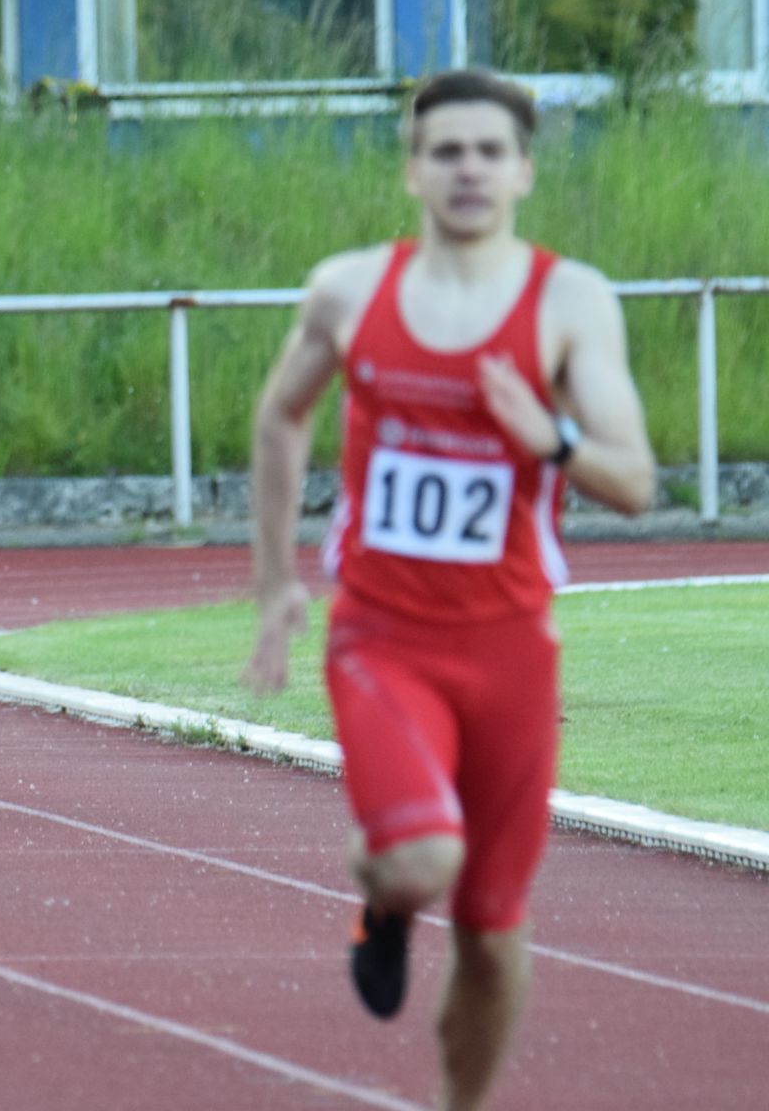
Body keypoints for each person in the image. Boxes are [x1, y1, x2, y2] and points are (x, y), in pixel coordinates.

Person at [241, 70, 655, 1109]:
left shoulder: (569, 301)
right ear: (412, 170)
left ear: (523, 171)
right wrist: (276, 582)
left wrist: (550, 438)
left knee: (491, 935)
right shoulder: (348, 291)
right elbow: (281, 414)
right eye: (446, 151)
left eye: (488, 151)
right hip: (382, 639)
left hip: (510, 651)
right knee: (423, 858)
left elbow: (635, 482)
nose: (468, 169)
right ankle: (387, 891)